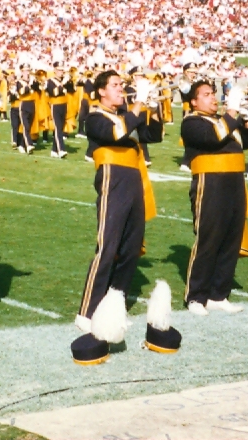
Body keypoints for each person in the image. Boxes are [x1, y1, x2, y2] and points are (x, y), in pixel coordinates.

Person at [75, 70, 162, 332]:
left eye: (121, 85)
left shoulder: (125, 116)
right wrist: (138, 105)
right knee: (108, 246)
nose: (121, 89)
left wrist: (154, 107)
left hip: (134, 179)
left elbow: (153, 135)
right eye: (115, 85)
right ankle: (87, 312)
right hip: (113, 177)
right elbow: (116, 133)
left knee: (130, 248)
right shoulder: (94, 117)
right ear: (101, 91)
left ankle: (114, 304)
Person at [180, 81, 248, 315]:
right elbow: (213, 139)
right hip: (209, 183)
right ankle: (196, 296)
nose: (213, 98)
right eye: (206, 95)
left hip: (235, 183)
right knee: (209, 238)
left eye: (213, 94)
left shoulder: (224, 121)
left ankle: (218, 294)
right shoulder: (191, 122)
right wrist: (231, 111)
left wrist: (246, 117)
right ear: (194, 101)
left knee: (231, 239)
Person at [45, 62, 73, 158]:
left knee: (60, 128)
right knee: (57, 127)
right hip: (55, 105)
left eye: (62, 70)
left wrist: (70, 81)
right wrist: (63, 83)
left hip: (64, 105)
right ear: (55, 70)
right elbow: (54, 92)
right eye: (60, 70)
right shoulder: (50, 81)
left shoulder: (64, 80)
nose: (62, 72)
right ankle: (61, 149)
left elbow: (73, 90)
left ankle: (54, 150)